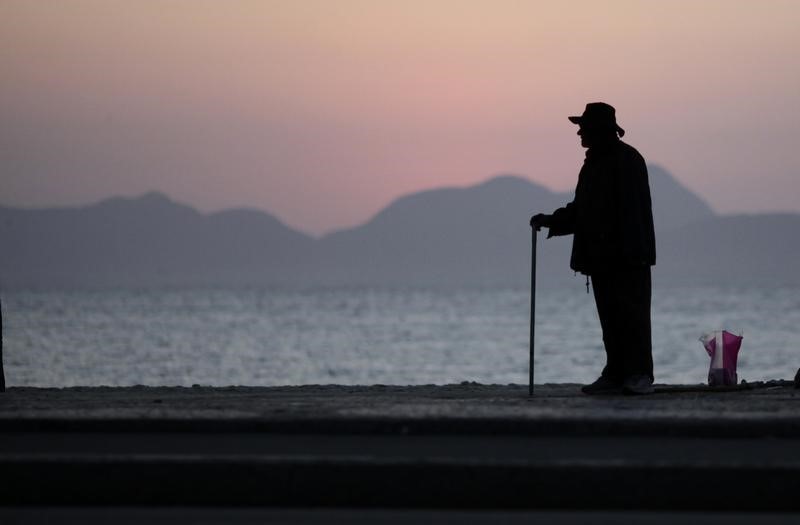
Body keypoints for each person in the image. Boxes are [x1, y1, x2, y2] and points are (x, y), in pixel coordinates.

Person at [531, 102, 656, 395]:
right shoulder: (594, 163)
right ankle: (615, 373)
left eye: (583, 127)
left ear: (598, 130)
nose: (579, 133)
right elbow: (583, 209)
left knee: (632, 318)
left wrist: (618, 248)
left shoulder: (627, 160)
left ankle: (638, 375)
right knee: (611, 321)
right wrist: (552, 221)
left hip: (627, 257)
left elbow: (624, 212)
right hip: (603, 258)